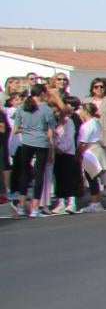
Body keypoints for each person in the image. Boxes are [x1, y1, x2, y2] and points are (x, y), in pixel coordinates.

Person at [8, 88, 54, 218]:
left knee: (24, 173)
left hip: (26, 143)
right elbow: (50, 131)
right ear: (41, 94)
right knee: (39, 175)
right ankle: (35, 207)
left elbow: (15, 130)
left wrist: (27, 129)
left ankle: (21, 206)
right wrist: (51, 150)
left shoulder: (22, 108)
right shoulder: (46, 109)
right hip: (42, 143)